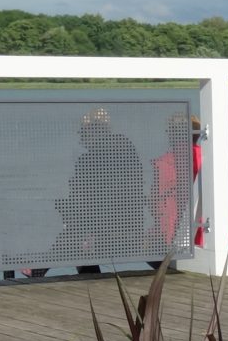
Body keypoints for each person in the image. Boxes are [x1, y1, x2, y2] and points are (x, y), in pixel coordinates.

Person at [52, 108, 154, 263]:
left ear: (93, 131)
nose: (81, 136)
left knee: (73, 232)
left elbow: (83, 202)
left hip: (105, 235)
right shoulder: (127, 148)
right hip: (133, 229)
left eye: (83, 131)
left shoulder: (88, 161)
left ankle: (37, 269)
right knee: (75, 231)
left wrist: (61, 205)